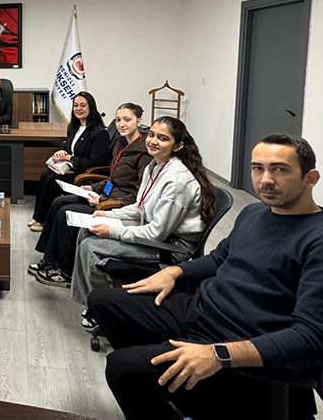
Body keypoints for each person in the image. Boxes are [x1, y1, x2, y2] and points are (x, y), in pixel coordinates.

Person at [88, 135, 323, 420]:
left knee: (122, 368)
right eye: (257, 168)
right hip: (201, 311)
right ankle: (177, 387)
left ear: (310, 178)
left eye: (280, 169)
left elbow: (312, 340)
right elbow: (219, 259)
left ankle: (183, 389)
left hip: (240, 342)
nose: (265, 179)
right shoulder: (254, 213)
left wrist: (217, 354)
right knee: (103, 301)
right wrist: (175, 271)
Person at [71, 116, 217, 315]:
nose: (153, 141)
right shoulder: (154, 166)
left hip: (170, 247)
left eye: (163, 138)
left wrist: (112, 231)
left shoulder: (177, 181)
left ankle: (99, 311)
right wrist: (108, 214)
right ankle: (93, 301)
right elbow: (140, 208)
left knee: (91, 246)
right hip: (153, 231)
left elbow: (156, 233)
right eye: (151, 135)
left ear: (177, 146)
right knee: (87, 230)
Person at [30, 103, 153, 287]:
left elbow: (139, 195)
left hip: (116, 205)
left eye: (127, 120)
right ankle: (50, 259)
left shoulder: (145, 153)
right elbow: (113, 178)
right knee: (58, 203)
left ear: (139, 121)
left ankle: (65, 271)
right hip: (105, 195)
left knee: (66, 212)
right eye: (118, 120)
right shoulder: (121, 143)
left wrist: (103, 200)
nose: (121, 124)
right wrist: (93, 188)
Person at [28, 91, 109, 232]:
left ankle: (43, 222)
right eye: (76, 105)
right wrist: (62, 153)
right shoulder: (74, 127)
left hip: (84, 174)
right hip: (73, 167)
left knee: (51, 180)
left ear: (91, 107)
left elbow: (95, 162)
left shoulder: (99, 132)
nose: (78, 109)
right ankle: (38, 217)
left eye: (83, 105)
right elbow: (69, 150)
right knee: (45, 175)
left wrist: (70, 159)